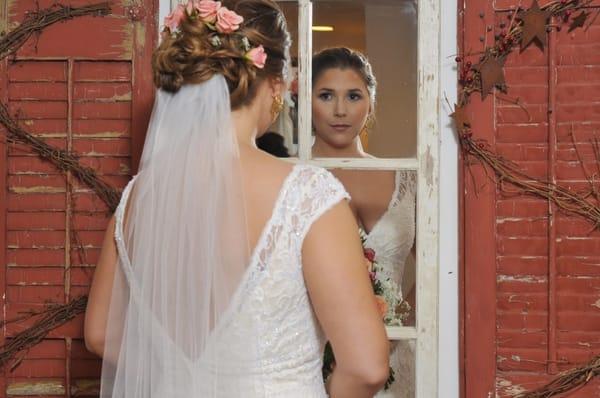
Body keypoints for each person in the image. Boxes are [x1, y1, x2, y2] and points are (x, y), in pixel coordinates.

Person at [83, 2, 388, 397]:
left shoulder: (141, 194)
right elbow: (365, 367)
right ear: (276, 85)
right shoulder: (308, 195)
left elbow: (102, 333)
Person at [312, 47, 416, 398]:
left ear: (370, 102)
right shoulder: (289, 177)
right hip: (315, 366)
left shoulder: (406, 176)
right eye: (326, 96)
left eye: (353, 96)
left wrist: (400, 324)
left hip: (398, 360)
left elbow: (438, 269)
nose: (340, 110)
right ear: (306, 100)